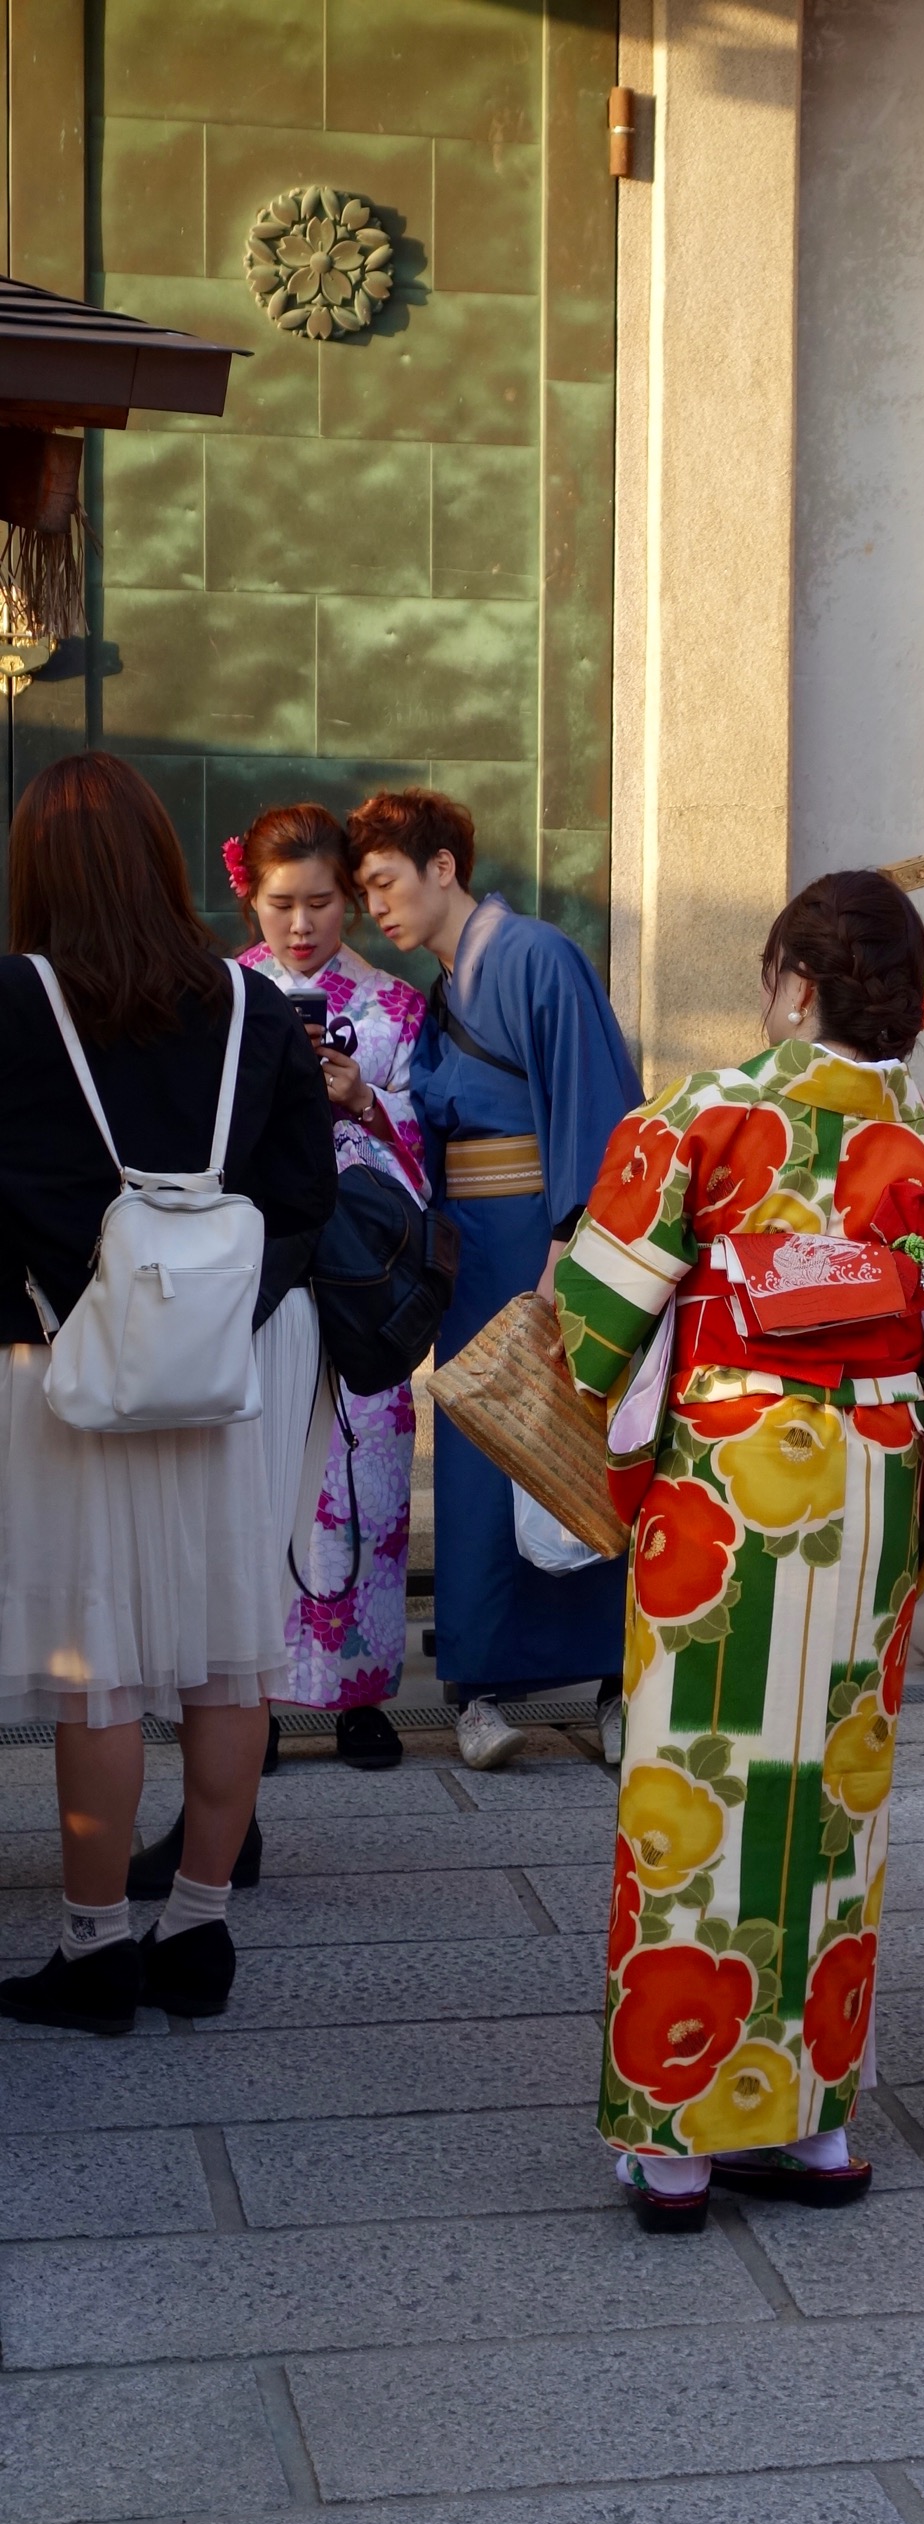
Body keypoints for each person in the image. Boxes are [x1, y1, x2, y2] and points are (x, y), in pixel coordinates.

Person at [556, 869, 924, 2229]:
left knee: (698, 1782)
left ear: (794, 985)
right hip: (865, 1491)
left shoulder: (693, 1120)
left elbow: (589, 1325)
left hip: (724, 1500)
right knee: (833, 1785)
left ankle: (681, 2137)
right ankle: (813, 2124)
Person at [0, 752, 335, 2034]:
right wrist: (214, 1313)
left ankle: (93, 1952)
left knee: (97, 1665)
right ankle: (199, 1926)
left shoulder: (15, 1002)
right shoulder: (253, 1008)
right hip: (219, 1378)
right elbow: (305, 1197)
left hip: (61, 1371)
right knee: (221, 1652)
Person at [350, 790, 640, 1772]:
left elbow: (597, 1105)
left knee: (567, 1446)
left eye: (386, 881)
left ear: (443, 867)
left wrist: (571, 1244)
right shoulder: (447, 986)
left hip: (547, 1245)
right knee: (482, 1462)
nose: (376, 906)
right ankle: (480, 1688)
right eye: (367, 891)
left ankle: (609, 1682)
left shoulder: (535, 958)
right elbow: (440, 1116)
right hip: (476, 1247)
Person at [233, 805, 427, 1771]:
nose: (301, 926)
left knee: (370, 1473)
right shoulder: (222, 997)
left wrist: (368, 1101)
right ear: (249, 898)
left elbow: (427, 1143)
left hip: (355, 1268)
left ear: (349, 899)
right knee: (264, 1474)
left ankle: (358, 1695)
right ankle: (251, 1697)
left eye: (320, 903)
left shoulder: (396, 1008)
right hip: (260, 1270)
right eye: (281, 905)